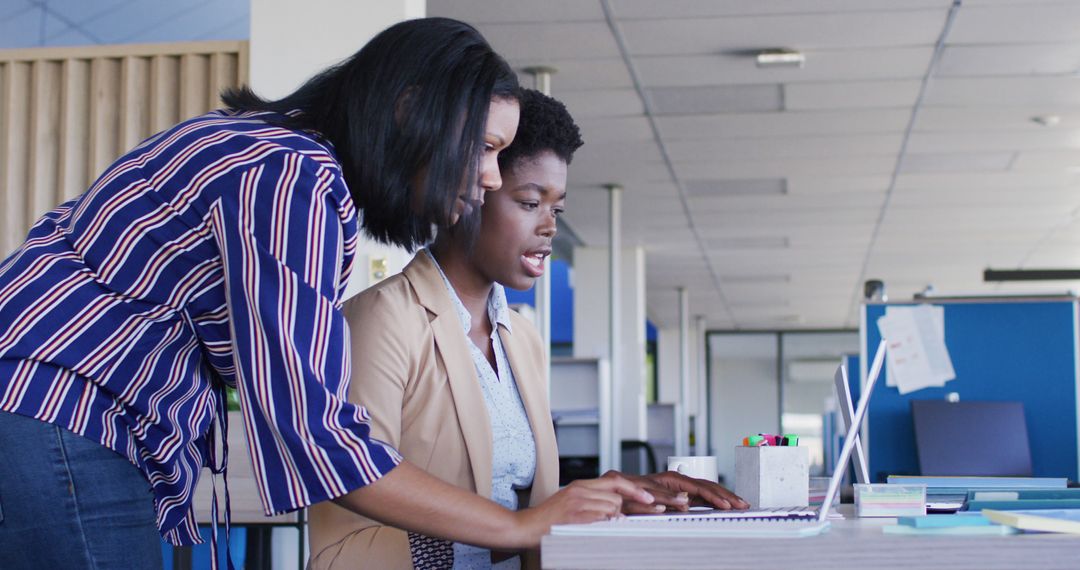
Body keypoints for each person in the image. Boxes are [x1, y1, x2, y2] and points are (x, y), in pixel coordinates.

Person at [0, 19, 654, 570]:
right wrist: (516, 526)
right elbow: (315, 435)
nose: (487, 178)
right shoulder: (296, 179)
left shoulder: (273, 153)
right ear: (410, 109)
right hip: (58, 406)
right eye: (484, 148)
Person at [309, 90, 747, 569]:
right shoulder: (380, 318)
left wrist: (616, 495)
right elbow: (350, 505)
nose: (548, 227)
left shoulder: (522, 339)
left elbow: (522, 509)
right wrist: (529, 526)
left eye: (555, 210)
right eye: (530, 202)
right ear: (470, 192)